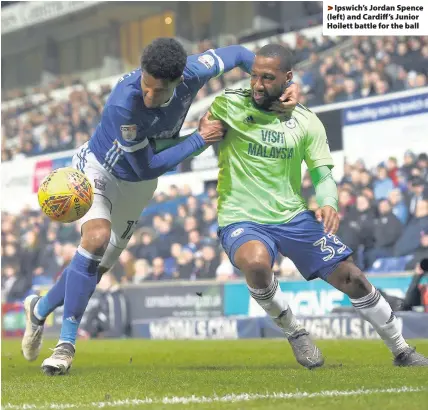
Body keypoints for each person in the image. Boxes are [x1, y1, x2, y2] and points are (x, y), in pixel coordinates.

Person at [21, 37, 301, 375]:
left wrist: (284, 88)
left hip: (136, 188)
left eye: (159, 92)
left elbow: (243, 55)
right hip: (98, 170)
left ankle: (39, 310)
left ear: (180, 80)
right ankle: (66, 344)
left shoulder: (195, 70)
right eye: (147, 87)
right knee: (95, 239)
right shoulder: (125, 103)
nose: (150, 97)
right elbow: (146, 165)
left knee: (95, 271)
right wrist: (199, 139)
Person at [209, 43, 428, 369]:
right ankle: (294, 331)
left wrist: (328, 202)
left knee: (353, 278)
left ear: (288, 78)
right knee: (255, 263)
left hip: (293, 216)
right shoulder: (228, 105)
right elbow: (203, 124)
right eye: (254, 76)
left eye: (267, 78)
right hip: (241, 216)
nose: (257, 84)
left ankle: (401, 349)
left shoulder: (308, 122)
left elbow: (322, 174)